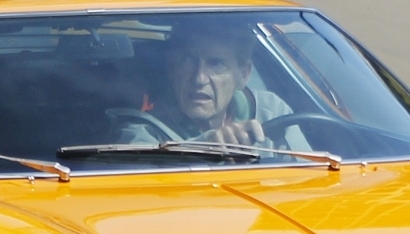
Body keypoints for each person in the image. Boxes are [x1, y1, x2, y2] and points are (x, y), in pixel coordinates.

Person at [111, 22, 291, 147]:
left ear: (242, 75)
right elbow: (135, 174)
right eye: (188, 61)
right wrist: (208, 146)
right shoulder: (144, 131)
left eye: (216, 64)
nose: (200, 79)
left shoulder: (271, 110)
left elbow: (313, 172)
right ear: (173, 68)